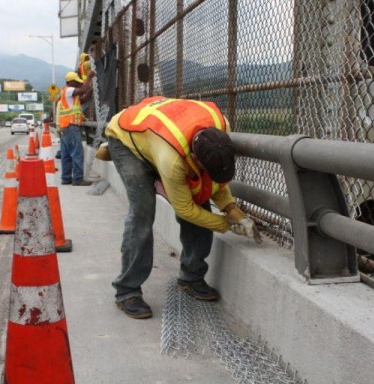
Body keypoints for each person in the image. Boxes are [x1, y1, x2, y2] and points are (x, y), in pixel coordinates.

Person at [105, 96, 259, 319]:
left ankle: (191, 277)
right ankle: (127, 291)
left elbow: (213, 184)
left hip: (157, 135)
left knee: (200, 199)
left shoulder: (220, 131)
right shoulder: (173, 160)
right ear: (194, 158)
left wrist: (233, 210)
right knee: (143, 212)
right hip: (127, 139)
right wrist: (227, 225)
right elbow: (185, 209)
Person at [55, 71, 95, 186]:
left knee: (66, 154)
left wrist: (91, 89)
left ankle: (66, 178)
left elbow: (83, 99)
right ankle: (78, 179)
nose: (78, 84)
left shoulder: (70, 96)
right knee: (77, 153)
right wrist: (89, 77)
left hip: (65, 127)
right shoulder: (68, 90)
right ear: (71, 82)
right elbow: (82, 90)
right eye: (77, 82)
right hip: (70, 126)